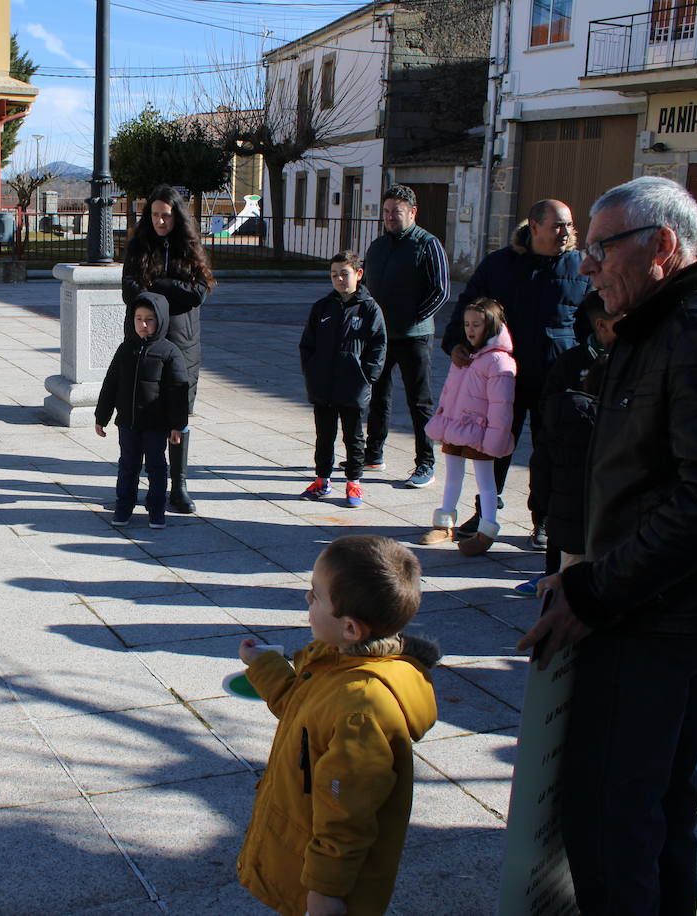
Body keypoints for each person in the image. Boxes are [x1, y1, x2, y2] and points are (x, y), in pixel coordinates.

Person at [518, 176, 697, 914]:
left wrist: (599, 589)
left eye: (601, 249)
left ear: (663, 246)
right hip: (670, 606)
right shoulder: (685, 317)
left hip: (651, 618)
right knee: (654, 807)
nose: (588, 266)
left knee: (613, 819)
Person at [236, 535, 438, 916]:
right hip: (300, 846)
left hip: (326, 881)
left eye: (316, 595)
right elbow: (303, 709)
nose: (307, 600)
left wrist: (325, 892)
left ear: (350, 628)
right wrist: (264, 666)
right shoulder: (336, 660)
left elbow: (347, 815)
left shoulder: (360, 709)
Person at [439, 199, 589, 549]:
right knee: (494, 445)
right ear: (534, 227)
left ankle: (545, 520)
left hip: (557, 374)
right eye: (557, 225)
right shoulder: (501, 264)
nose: (565, 233)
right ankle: (486, 513)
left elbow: (592, 319)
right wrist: (457, 342)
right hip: (502, 374)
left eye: (569, 225)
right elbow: (469, 304)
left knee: (549, 448)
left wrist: (590, 363)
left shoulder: (580, 266)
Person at [121, 185, 215, 514]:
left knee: (178, 414)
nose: (160, 221)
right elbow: (130, 290)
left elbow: (198, 293)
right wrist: (164, 293)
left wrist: (158, 286)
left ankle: (180, 485)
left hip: (182, 343)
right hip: (145, 343)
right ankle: (136, 484)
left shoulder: (189, 248)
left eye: (167, 215)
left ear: (177, 216)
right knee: (141, 413)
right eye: (155, 214)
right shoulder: (139, 246)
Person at [525, 292, 617, 584]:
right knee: (564, 548)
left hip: (607, 485)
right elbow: (547, 413)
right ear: (601, 326)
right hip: (570, 473)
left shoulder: (633, 358)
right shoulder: (570, 363)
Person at [362, 185, 449, 490]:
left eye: (396, 212)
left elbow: (441, 291)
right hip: (381, 337)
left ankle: (425, 463)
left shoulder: (428, 244)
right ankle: (373, 454)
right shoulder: (377, 246)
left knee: (419, 403)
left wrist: (411, 318)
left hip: (414, 338)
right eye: (386, 212)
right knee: (377, 397)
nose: (389, 217)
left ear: (412, 212)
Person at [422, 299, 516, 555]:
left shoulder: (499, 362)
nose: (470, 329)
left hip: (480, 433)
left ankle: (486, 531)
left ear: (493, 326)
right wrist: (443, 418)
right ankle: (444, 525)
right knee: (452, 476)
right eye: (467, 324)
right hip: (455, 427)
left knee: (486, 482)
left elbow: (502, 406)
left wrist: (494, 439)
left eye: (477, 324)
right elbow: (449, 392)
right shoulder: (464, 356)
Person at [298, 250, 387, 509]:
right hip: (323, 385)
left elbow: (378, 346)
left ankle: (354, 481)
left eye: (344, 274)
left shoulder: (369, 309)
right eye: (334, 274)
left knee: (354, 437)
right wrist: (312, 371)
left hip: (353, 386)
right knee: (324, 435)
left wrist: (366, 376)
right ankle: (322, 479)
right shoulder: (322, 307)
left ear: (358, 275)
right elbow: (307, 344)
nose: (339, 279)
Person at [94, 292, 190, 528]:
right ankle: (124, 506)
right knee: (127, 465)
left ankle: (156, 509)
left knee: (156, 467)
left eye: (149, 319)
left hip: (156, 425)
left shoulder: (169, 352)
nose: (143, 325)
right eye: (138, 318)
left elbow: (178, 391)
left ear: (161, 321)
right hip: (127, 422)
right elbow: (110, 384)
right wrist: (102, 416)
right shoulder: (125, 349)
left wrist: (177, 424)